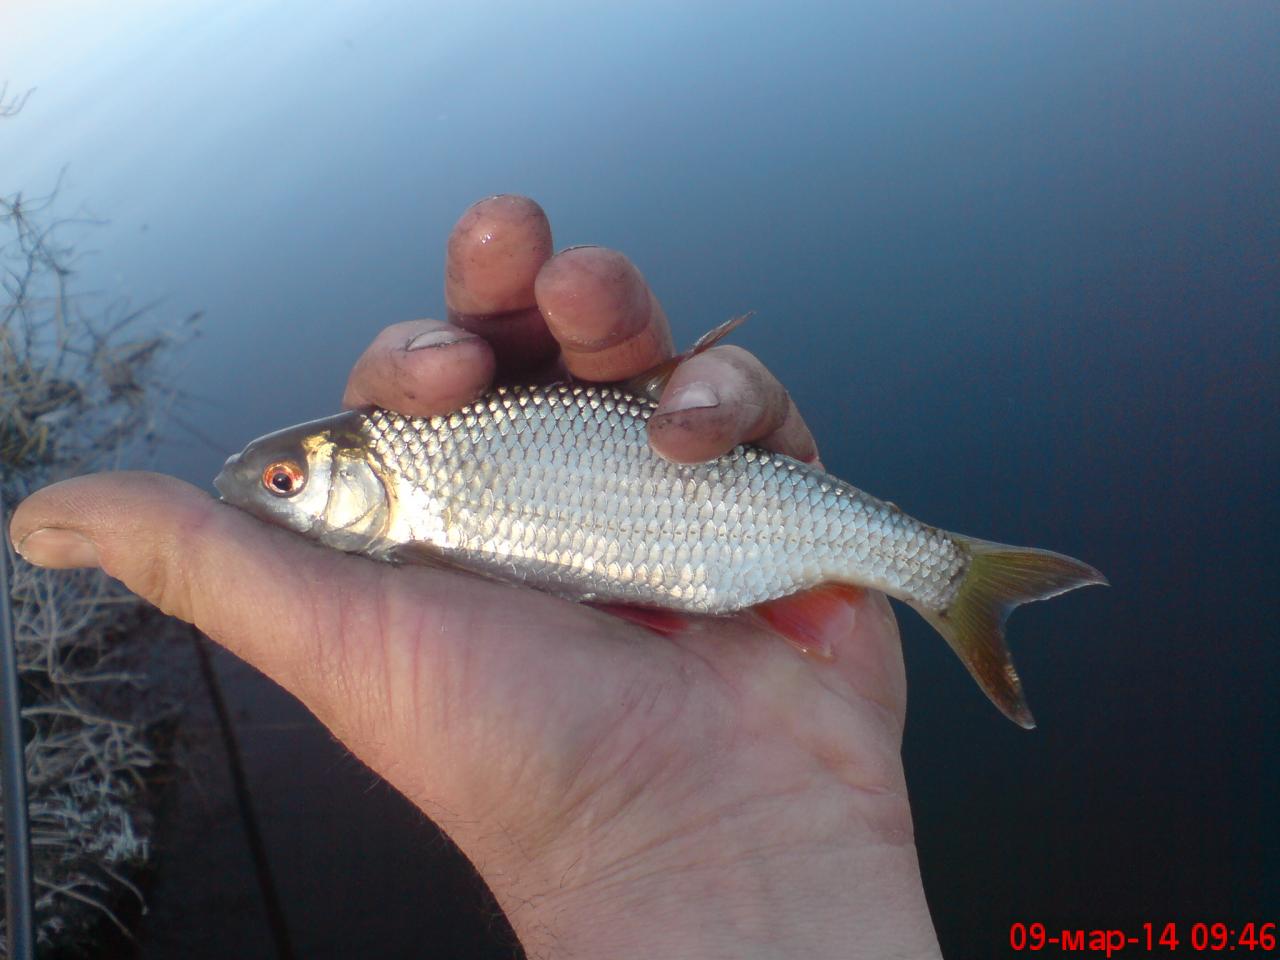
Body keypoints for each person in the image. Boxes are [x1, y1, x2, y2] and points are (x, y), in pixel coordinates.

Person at [9, 196, 943, 959]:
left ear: (357, 473)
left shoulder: (411, 491)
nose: (267, 497)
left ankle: (946, 574)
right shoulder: (404, 562)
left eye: (286, 483)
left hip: (741, 607)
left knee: (675, 391)